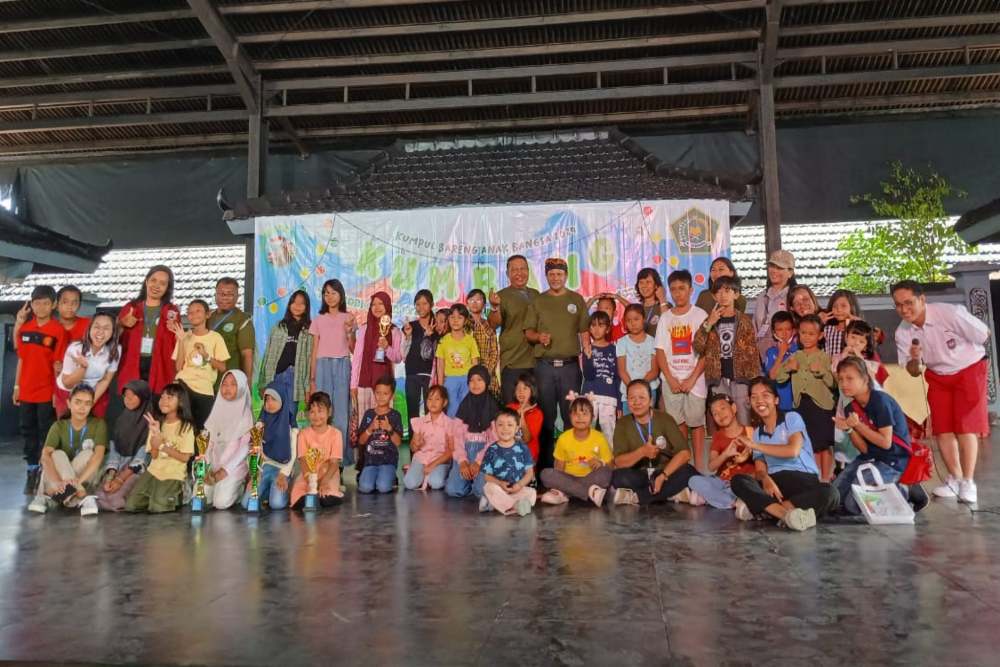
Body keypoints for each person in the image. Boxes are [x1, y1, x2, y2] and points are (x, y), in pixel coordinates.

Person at [893, 279, 990, 504]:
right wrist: (915, 358)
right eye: (898, 305)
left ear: (922, 299)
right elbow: (913, 371)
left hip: (969, 369)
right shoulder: (903, 332)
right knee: (942, 429)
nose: (904, 309)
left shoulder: (950, 313)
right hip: (938, 376)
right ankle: (954, 478)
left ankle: (968, 482)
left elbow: (984, 334)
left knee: (965, 427)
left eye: (909, 303)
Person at [729, 377, 839, 531]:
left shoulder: (791, 418)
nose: (759, 401)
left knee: (831, 493)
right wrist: (766, 479)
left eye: (765, 396)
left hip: (803, 481)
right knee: (738, 480)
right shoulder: (757, 433)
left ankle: (769, 510)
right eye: (754, 397)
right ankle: (786, 515)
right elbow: (760, 469)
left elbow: (793, 450)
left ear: (776, 400)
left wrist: (755, 445)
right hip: (775, 486)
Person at [832, 356, 928, 515]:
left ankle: (905, 489)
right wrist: (849, 429)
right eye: (841, 379)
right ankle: (891, 487)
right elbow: (863, 449)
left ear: (864, 379)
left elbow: (886, 443)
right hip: (870, 458)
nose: (844, 384)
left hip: (893, 460)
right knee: (835, 498)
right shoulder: (850, 406)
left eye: (850, 378)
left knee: (852, 505)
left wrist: (857, 425)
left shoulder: (879, 400)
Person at [524, 257, 591, 470]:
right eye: (551, 274)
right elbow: (528, 332)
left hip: (571, 367)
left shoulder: (577, 300)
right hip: (544, 366)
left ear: (566, 276)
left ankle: (574, 463)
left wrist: (589, 350)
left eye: (559, 274)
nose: (555, 278)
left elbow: (584, 331)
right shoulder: (538, 301)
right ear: (546, 276)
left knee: (572, 415)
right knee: (545, 417)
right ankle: (545, 467)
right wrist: (538, 337)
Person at [13, 285, 68, 496]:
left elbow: (59, 365)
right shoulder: (25, 329)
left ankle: (46, 472)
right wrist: (17, 386)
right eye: (37, 303)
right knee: (28, 430)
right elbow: (21, 358)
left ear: (53, 305)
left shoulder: (57, 330)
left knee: (46, 431)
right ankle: (31, 471)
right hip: (26, 391)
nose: (41, 307)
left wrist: (57, 392)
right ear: (31, 305)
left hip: (47, 392)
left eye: (46, 303)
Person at [610, 380, 694, 506]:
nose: (637, 402)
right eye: (632, 398)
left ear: (651, 400)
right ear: (627, 400)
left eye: (642, 398)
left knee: (688, 471)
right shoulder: (622, 423)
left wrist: (663, 476)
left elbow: (685, 454)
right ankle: (669, 493)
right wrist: (642, 452)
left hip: (665, 472)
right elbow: (619, 462)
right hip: (639, 474)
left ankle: (640, 496)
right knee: (618, 477)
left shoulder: (665, 418)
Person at [27, 385, 107, 516]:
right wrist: (58, 482)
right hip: (58, 477)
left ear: (92, 405)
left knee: (89, 454)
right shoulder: (58, 426)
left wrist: (77, 482)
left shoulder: (98, 424)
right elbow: (45, 456)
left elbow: (98, 456)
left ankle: (50, 496)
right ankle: (80, 496)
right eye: (78, 402)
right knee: (56, 454)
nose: (82, 407)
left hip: (83, 477)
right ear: (69, 403)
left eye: (87, 403)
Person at [654, 270, 707, 468]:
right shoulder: (665, 318)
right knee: (679, 423)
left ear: (691, 290)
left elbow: (706, 352)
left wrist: (692, 378)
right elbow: (660, 352)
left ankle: (699, 466)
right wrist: (670, 378)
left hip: (695, 379)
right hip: (672, 380)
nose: (678, 293)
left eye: (682, 289)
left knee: (697, 422)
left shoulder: (701, 315)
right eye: (674, 289)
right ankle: (685, 463)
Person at [775, 315, 836, 482]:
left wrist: (822, 371)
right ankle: (815, 477)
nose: (807, 337)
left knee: (824, 444)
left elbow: (833, 384)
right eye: (803, 333)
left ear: (820, 336)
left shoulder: (825, 357)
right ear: (798, 334)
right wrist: (788, 368)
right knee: (810, 443)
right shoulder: (796, 355)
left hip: (822, 406)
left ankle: (826, 477)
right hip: (801, 406)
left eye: (811, 333)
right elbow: (778, 378)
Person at [693, 274, 758, 430]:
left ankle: (748, 453)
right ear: (714, 296)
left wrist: (753, 381)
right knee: (722, 419)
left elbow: (753, 353)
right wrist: (709, 323)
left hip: (741, 377)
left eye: (727, 291)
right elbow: (697, 347)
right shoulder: (709, 321)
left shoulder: (745, 321)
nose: (723, 295)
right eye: (719, 292)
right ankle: (725, 453)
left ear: (736, 294)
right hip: (718, 378)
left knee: (744, 419)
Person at [124, 383, 195, 514]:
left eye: (169, 397)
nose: (163, 401)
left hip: (173, 474)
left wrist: (162, 445)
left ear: (180, 402)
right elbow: (154, 455)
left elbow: (185, 457)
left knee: (158, 507)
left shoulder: (186, 427)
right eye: (162, 397)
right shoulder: (157, 423)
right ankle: (157, 496)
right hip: (154, 471)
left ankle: (180, 494)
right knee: (131, 505)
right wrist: (155, 434)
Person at [309, 279, 356, 466]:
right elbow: (314, 350)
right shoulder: (318, 319)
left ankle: (339, 463)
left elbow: (354, 348)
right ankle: (321, 459)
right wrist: (312, 378)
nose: (329, 296)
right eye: (326, 293)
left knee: (341, 415)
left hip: (342, 365)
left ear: (341, 295)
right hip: (322, 366)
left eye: (333, 292)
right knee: (322, 412)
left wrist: (349, 332)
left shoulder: (349, 317)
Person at [539, 396, 613, 507]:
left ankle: (566, 493)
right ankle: (589, 493)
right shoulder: (564, 438)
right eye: (576, 414)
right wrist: (559, 482)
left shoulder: (599, 437)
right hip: (569, 477)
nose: (580, 418)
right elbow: (559, 467)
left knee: (606, 472)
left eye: (584, 414)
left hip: (591, 478)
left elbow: (611, 464)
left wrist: (601, 462)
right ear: (570, 416)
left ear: (592, 417)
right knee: (545, 474)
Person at [168, 299, 230, 431]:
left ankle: (200, 452)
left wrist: (206, 356)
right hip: (184, 385)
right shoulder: (184, 336)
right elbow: (178, 367)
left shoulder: (216, 337)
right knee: (184, 428)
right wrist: (181, 341)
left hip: (205, 389)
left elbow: (223, 367)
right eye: (190, 312)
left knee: (203, 431)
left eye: (198, 311)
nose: (193, 314)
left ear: (208, 314)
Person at [117, 265, 180, 394]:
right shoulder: (131, 308)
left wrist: (176, 334)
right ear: (146, 281)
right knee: (132, 405)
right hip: (132, 365)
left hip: (160, 367)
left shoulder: (172, 311)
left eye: (162, 283)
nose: (157, 286)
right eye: (153, 280)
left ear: (168, 288)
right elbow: (113, 340)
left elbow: (178, 346)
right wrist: (121, 325)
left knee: (155, 407)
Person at [351, 291, 403, 442]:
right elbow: (357, 358)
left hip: (384, 385)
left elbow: (398, 358)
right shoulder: (363, 329)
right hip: (364, 383)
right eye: (374, 304)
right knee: (365, 421)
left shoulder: (394, 331)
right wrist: (353, 384)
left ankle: (384, 454)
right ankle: (365, 457)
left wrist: (387, 348)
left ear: (387, 306)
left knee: (384, 421)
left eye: (381, 304)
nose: (377, 307)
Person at [488, 254, 540, 404]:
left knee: (533, 410)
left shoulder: (536, 295)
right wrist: (495, 307)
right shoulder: (501, 296)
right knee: (512, 410)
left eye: (523, 269)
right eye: (514, 270)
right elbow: (493, 324)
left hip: (536, 362)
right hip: (512, 363)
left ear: (528, 271)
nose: (519, 273)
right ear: (507, 274)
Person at [687, 395, 755, 509]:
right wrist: (726, 454)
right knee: (693, 480)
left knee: (744, 486)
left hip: (742, 482)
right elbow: (711, 466)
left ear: (733, 408)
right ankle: (732, 503)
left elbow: (760, 459)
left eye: (723, 408)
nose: (720, 415)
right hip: (722, 482)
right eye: (715, 413)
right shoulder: (718, 436)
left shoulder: (750, 431)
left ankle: (711, 498)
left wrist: (748, 452)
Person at [95, 380, 153, 512]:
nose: (128, 399)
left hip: (137, 470)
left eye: (133, 395)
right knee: (99, 495)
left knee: (115, 500)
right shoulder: (120, 419)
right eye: (126, 395)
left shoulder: (150, 422)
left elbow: (143, 455)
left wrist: (120, 479)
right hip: (119, 465)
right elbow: (114, 449)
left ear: (143, 397)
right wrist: (111, 476)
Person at [201, 370, 253, 511]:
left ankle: (239, 489)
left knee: (220, 503)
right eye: (224, 384)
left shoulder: (245, 414)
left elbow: (245, 448)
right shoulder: (218, 409)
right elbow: (208, 442)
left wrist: (225, 470)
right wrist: (205, 465)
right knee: (201, 497)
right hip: (214, 464)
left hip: (233, 467)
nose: (227, 388)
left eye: (233, 384)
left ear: (241, 386)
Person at [241, 380, 297, 511]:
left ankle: (282, 488)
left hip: (283, 468)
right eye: (267, 399)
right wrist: (255, 474)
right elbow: (255, 451)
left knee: (276, 504)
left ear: (282, 400)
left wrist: (283, 475)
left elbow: (293, 454)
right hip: (264, 468)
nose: (270, 403)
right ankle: (266, 490)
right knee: (246, 503)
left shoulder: (291, 427)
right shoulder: (260, 425)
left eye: (274, 399)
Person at [446, 365, 499, 499]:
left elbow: (495, 440)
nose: (475, 384)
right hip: (465, 452)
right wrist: (463, 461)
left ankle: (475, 483)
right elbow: (457, 437)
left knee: (481, 492)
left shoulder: (493, 406)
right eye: (472, 380)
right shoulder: (464, 406)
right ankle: (468, 482)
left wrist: (478, 462)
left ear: (486, 382)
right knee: (452, 490)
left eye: (479, 380)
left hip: (485, 456)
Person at [55, 313, 120, 418]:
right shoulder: (75, 349)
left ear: (113, 332)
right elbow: (67, 383)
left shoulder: (115, 350)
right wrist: (82, 368)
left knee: (94, 427)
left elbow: (106, 379)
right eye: (97, 327)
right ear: (89, 329)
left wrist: (90, 403)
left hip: (95, 392)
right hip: (69, 392)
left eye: (106, 328)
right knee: (69, 426)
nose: (101, 332)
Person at [289, 392, 344, 509]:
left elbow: (334, 463)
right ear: (308, 414)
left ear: (329, 412)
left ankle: (325, 495)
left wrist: (323, 481)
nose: (316, 416)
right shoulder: (303, 434)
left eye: (320, 411)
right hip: (308, 474)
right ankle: (311, 498)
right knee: (297, 497)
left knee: (327, 495)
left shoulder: (336, 434)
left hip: (328, 474)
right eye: (312, 412)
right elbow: (303, 460)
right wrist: (311, 481)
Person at [258, 290, 314, 404]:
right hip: (276, 376)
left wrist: (308, 388)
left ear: (306, 307)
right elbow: (267, 355)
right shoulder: (278, 326)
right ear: (289, 304)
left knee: (291, 413)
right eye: (294, 302)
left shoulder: (309, 330)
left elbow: (309, 360)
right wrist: (262, 382)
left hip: (295, 378)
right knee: (272, 412)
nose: (297, 306)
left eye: (301, 303)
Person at [480, 408, 536, 516]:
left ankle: (497, 504)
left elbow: (529, 473)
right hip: (499, 488)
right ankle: (514, 506)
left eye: (510, 425)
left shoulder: (523, 448)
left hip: (517, 489)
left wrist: (519, 485)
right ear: (495, 428)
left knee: (531, 493)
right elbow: (487, 477)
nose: (505, 428)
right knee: (489, 487)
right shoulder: (491, 449)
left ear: (517, 428)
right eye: (500, 425)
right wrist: (500, 483)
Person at [356, 375, 404, 494]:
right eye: (378, 393)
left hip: (388, 461)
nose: (381, 397)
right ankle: (367, 476)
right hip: (370, 461)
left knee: (383, 487)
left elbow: (398, 442)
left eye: (385, 393)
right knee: (365, 488)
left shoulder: (395, 415)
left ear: (392, 396)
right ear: (374, 393)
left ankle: (390, 478)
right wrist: (370, 429)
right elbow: (361, 441)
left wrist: (389, 429)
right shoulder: (369, 414)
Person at [404, 385, 456, 491]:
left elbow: (451, 450)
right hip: (421, 458)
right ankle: (413, 470)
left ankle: (437, 475)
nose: (433, 402)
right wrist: (416, 445)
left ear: (444, 403)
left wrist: (433, 465)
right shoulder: (420, 422)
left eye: (437, 399)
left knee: (436, 483)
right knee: (410, 483)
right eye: (430, 399)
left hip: (440, 460)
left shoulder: (449, 423)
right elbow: (413, 448)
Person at [580, 311, 620, 442]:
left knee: (610, 434)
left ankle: (611, 461)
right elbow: (588, 376)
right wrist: (589, 357)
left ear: (608, 329)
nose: (596, 329)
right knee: (586, 432)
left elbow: (617, 378)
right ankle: (585, 460)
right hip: (590, 396)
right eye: (593, 325)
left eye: (601, 325)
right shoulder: (587, 349)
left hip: (609, 397)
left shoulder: (614, 349)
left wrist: (619, 404)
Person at [436, 303, 480, 417]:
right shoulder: (444, 341)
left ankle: (465, 433)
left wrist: (475, 382)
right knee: (452, 409)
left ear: (465, 321)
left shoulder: (470, 340)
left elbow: (475, 363)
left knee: (467, 409)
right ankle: (453, 433)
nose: (455, 321)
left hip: (467, 379)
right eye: (452, 317)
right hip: (450, 379)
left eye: (459, 318)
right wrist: (441, 386)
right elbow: (440, 365)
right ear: (448, 320)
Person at [207, 277, 255, 381]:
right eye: (221, 294)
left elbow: (247, 355)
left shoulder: (242, 320)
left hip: (230, 381)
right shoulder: (207, 317)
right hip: (206, 381)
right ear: (215, 295)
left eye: (230, 294)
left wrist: (247, 383)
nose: (225, 297)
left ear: (237, 297)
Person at [13, 284, 88, 350]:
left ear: (79, 305)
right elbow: (20, 347)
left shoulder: (89, 325)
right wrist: (19, 323)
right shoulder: (46, 327)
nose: (70, 306)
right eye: (65, 302)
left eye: (74, 303)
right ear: (56, 304)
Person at [753, 250, 796, 362]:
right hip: (761, 358)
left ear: (790, 272)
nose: (774, 271)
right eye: (772, 266)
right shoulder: (761, 297)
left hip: (786, 358)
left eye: (780, 268)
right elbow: (755, 327)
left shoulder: (795, 296)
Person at [402, 289, 436, 425]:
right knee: (413, 413)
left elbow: (431, 354)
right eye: (417, 304)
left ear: (431, 305)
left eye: (424, 303)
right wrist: (409, 335)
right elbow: (403, 354)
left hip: (430, 375)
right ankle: (413, 445)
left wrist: (429, 336)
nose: (421, 307)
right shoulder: (410, 327)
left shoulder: (437, 327)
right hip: (412, 374)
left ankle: (430, 445)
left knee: (431, 412)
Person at [618, 304, 660, 415]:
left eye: (636, 319)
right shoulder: (622, 342)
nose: (633, 323)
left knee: (648, 422)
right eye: (629, 320)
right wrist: (633, 389)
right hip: (629, 389)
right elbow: (622, 371)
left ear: (644, 320)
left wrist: (641, 388)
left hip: (649, 388)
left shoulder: (652, 341)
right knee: (630, 424)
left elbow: (654, 370)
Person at [467, 289, 500, 398]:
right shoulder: (462, 325)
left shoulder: (489, 325)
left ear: (484, 304)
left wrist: (486, 373)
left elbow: (494, 351)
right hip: (466, 373)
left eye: (478, 300)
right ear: (467, 303)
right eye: (471, 300)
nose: (475, 303)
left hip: (487, 372)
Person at [764, 311, 798, 412]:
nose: (784, 333)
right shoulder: (771, 352)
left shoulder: (799, 351)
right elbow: (773, 376)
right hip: (779, 405)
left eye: (788, 329)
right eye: (779, 330)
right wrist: (781, 353)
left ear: (793, 331)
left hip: (798, 404)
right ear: (774, 333)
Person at [508, 373, 543, 464]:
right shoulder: (509, 408)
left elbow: (527, 439)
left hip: (528, 455)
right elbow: (503, 434)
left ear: (532, 391)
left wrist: (522, 416)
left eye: (525, 388)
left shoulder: (537, 413)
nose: (521, 392)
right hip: (510, 454)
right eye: (518, 388)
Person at [822, 289, 862, 357]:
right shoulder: (827, 329)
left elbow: (868, 345)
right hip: (831, 366)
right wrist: (819, 324)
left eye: (843, 306)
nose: (839, 310)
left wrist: (860, 325)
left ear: (852, 307)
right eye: (835, 306)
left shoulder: (857, 330)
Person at [634, 267, 671, 336]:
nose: (644, 286)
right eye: (641, 282)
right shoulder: (637, 309)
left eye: (648, 282)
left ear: (656, 285)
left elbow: (668, 326)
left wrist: (662, 299)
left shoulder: (665, 305)